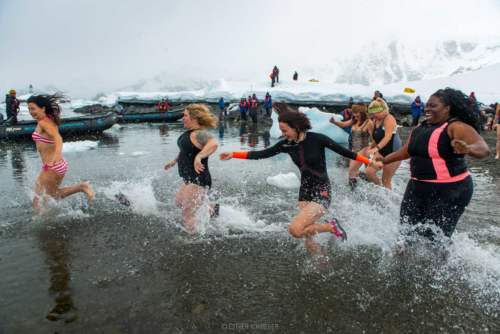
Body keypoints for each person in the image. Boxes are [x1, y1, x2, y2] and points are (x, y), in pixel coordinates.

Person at [219, 103, 372, 254]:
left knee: (295, 230)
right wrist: (234, 154)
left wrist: (369, 162)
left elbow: (347, 152)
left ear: (297, 127)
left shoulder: (318, 139)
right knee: (307, 236)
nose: (283, 134)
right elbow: (261, 154)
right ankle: (319, 262)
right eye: (281, 130)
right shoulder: (285, 145)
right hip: (304, 192)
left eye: (285, 130)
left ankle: (331, 227)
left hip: (321, 190)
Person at [374, 88, 490, 240]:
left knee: (435, 238)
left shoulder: (455, 126)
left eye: (433, 106)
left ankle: (449, 262)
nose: (427, 109)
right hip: (417, 188)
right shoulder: (419, 128)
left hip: (451, 190)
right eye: (427, 105)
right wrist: (384, 160)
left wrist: (468, 149)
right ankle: (404, 261)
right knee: (405, 232)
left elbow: (483, 148)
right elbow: (406, 151)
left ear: (447, 108)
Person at [27, 94, 95, 213]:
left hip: (52, 165)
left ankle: (40, 224)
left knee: (37, 199)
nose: (31, 112)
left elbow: (58, 138)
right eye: (29, 109)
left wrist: (57, 155)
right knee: (53, 194)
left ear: (42, 108)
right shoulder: (46, 120)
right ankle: (81, 187)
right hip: (55, 165)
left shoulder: (44, 122)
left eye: (33, 108)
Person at [164, 104, 219, 233]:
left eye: (185, 116)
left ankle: (193, 240)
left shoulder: (199, 134)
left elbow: (214, 143)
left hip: (198, 178)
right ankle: (212, 209)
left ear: (194, 118)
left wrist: (199, 156)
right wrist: (175, 161)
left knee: (188, 213)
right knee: (179, 202)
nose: (183, 118)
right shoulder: (190, 134)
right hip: (189, 178)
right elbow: (186, 151)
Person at [362, 98, 402, 189]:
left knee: (386, 180)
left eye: (375, 113)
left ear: (383, 110)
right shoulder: (375, 121)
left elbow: (387, 137)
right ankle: (380, 191)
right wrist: (370, 147)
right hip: (381, 152)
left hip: (394, 153)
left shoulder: (389, 118)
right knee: (368, 172)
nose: (373, 115)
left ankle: (389, 200)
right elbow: (376, 139)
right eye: (372, 113)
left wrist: (376, 149)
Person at [331, 104, 372, 189]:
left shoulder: (369, 123)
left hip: (363, 149)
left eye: (357, 113)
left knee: (351, 171)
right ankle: (362, 186)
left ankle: (353, 191)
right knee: (355, 171)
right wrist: (334, 122)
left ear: (362, 112)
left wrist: (372, 150)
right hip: (354, 149)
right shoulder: (354, 120)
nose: (355, 115)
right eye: (354, 112)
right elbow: (343, 124)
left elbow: (374, 139)